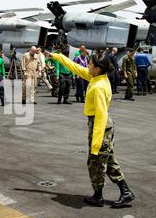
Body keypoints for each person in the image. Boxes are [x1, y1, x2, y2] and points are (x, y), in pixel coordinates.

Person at [45, 51, 135, 208]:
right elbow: (75, 67)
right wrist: (56, 56)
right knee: (108, 160)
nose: (87, 65)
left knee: (95, 162)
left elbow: (100, 115)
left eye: (90, 63)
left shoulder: (99, 86)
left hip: (100, 126)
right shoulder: (97, 77)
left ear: (98, 68)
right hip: (101, 125)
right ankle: (123, 192)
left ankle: (99, 196)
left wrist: (95, 143)